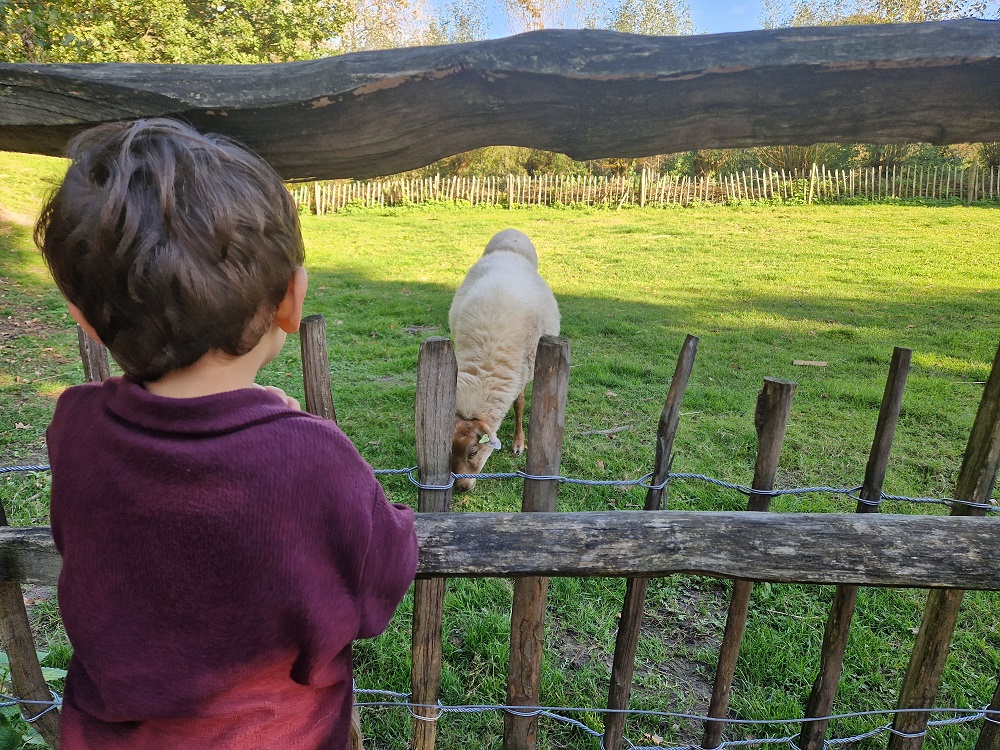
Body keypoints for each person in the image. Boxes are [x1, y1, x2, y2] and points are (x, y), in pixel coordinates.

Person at [36, 118, 418, 750]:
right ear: (293, 302)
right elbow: (378, 583)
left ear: (87, 324)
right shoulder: (314, 456)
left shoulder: (75, 428)